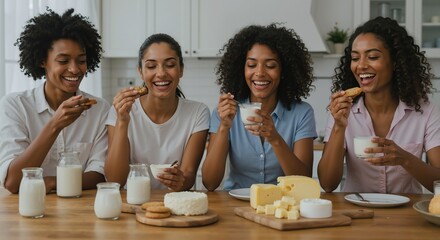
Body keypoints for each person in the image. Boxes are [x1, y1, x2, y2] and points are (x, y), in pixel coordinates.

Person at [318, 17, 440, 194]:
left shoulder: (426, 112)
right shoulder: (343, 111)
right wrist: (339, 127)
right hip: (356, 213)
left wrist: (405, 159)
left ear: (396, 62)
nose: (361, 65)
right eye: (354, 58)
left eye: (373, 57)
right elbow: (328, 184)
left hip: (407, 217)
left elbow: (439, 183)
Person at [0, 8, 109, 194]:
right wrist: (55, 125)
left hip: (80, 211)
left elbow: (99, 174)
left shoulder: (99, 109)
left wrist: (51, 182)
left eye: (81, 60)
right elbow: (12, 181)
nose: (74, 69)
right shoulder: (15, 105)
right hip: (26, 212)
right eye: (63, 61)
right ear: (43, 61)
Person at [202, 24, 317, 191]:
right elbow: (210, 182)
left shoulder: (302, 113)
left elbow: (303, 182)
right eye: (251, 65)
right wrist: (223, 127)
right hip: (236, 206)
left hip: (282, 208)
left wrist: (275, 138)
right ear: (242, 69)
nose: (260, 73)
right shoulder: (225, 112)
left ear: (283, 70)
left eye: (270, 65)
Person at [105, 33, 210, 191]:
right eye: (151, 66)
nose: (161, 73)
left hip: (176, 204)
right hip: (133, 203)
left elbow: (188, 175)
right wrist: (122, 123)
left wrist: (181, 180)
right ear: (141, 71)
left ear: (181, 69)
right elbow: (115, 180)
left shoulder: (197, 112)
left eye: (169, 64)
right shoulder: (120, 111)